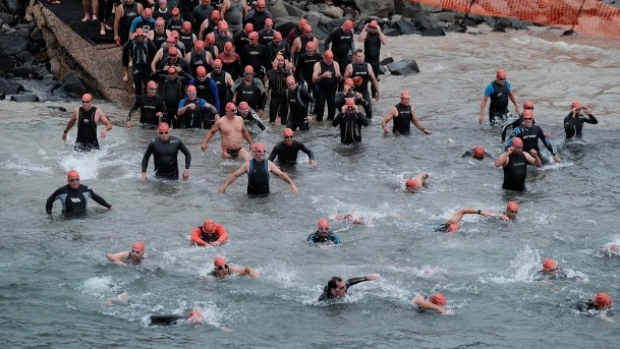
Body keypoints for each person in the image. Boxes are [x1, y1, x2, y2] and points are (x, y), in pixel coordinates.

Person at [219, 143, 299, 195]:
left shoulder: (269, 164)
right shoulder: (248, 164)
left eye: (264, 151)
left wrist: (292, 183)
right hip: (251, 197)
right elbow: (235, 175)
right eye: (260, 151)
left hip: (266, 197)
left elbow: (281, 174)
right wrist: (225, 185)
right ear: (255, 152)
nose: (262, 153)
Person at [46, 170, 113, 215]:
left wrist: (109, 206)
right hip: (66, 219)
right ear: (68, 181)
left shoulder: (86, 189)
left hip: (84, 218)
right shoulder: (61, 191)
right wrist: (49, 214)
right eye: (72, 180)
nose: (75, 182)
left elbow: (96, 197)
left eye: (77, 179)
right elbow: (50, 200)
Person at [435, 202, 521, 233]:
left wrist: (481, 212)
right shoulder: (451, 225)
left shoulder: (453, 221)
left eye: (515, 212)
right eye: (512, 212)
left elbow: (463, 210)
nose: (513, 214)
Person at [122, 26, 159, 96]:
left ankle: (146, 102)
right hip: (136, 68)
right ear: (136, 36)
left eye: (141, 36)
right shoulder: (133, 43)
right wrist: (130, 39)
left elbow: (154, 48)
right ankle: (139, 103)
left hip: (146, 68)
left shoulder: (146, 43)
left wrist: (149, 39)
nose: (140, 38)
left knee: (146, 87)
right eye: (138, 36)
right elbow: (124, 48)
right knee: (138, 88)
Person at [344, 49, 380, 119]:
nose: (361, 58)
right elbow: (344, 80)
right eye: (359, 56)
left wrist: (377, 92)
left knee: (369, 112)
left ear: (364, 56)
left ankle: (368, 127)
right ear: (355, 57)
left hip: (364, 92)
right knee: (353, 114)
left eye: (362, 56)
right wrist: (352, 79)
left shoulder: (368, 66)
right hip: (353, 93)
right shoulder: (350, 67)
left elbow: (374, 80)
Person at [312, 50, 341, 121]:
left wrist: (339, 75)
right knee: (320, 113)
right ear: (324, 58)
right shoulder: (318, 65)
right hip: (321, 91)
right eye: (328, 60)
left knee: (332, 113)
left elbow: (340, 80)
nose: (330, 62)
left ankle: (328, 130)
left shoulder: (335, 64)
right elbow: (313, 79)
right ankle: (319, 130)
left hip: (332, 91)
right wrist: (322, 76)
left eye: (331, 60)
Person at [324, 19, 355, 83]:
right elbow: (326, 43)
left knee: (343, 74)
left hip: (344, 57)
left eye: (348, 30)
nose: (347, 32)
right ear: (344, 25)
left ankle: (341, 90)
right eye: (346, 30)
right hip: (335, 57)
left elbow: (351, 42)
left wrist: (353, 53)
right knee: (335, 74)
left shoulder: (350, 32)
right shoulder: (336, 31)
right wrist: (328, 54)